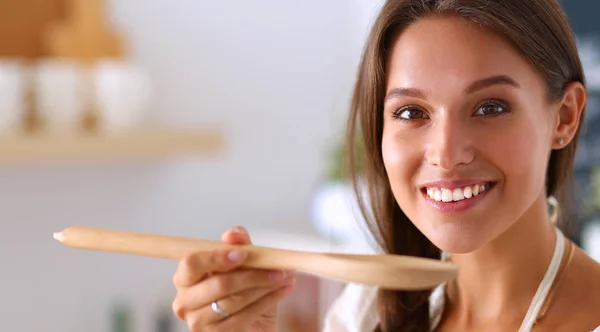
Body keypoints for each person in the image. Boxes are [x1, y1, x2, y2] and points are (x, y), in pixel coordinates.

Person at [170, 0, 600, 331]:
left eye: (490, 107)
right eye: (412, 113)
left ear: (564, 116)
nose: (446, 154)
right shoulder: (364, 314)